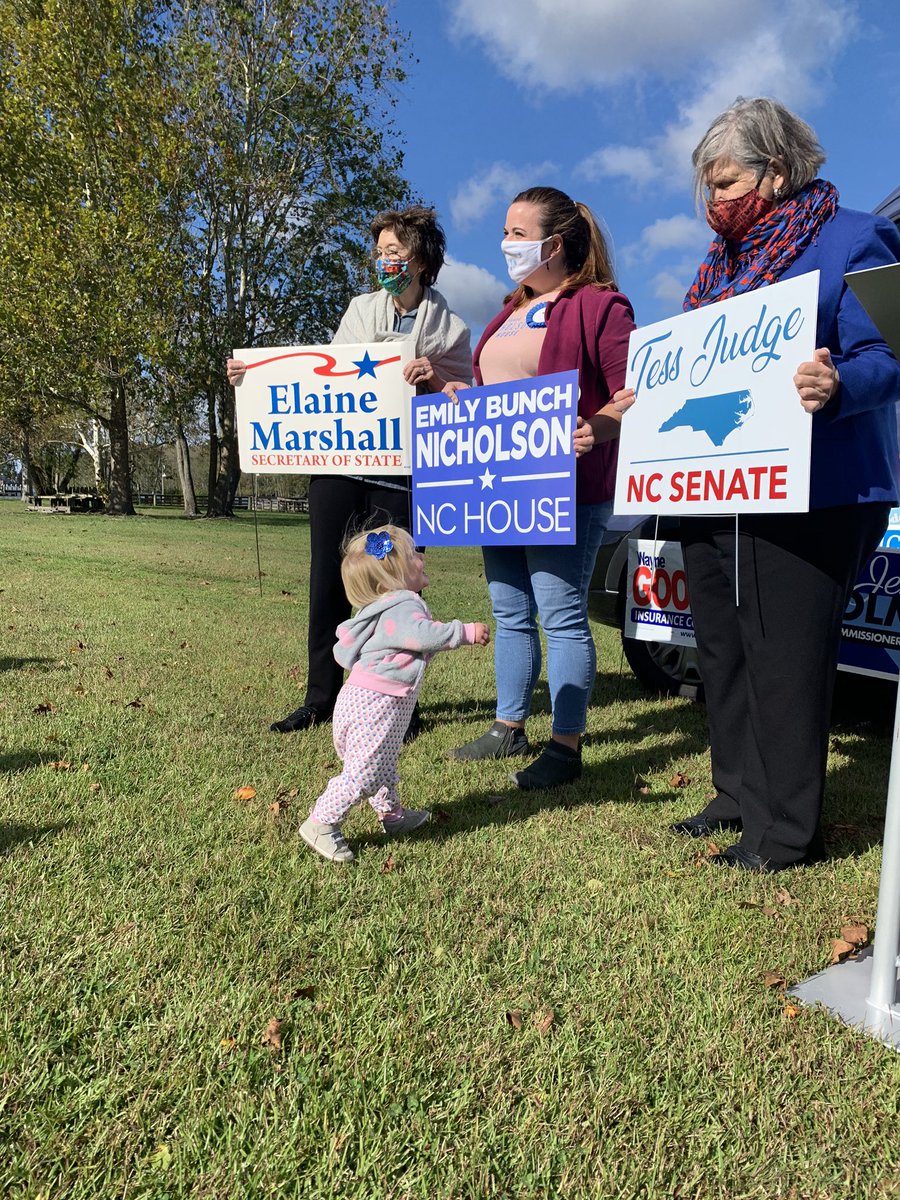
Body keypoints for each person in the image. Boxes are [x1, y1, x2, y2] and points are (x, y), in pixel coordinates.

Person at [647, 97, 900, 871]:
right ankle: (736, 794)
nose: (713, 201)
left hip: (816, 488)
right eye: (708, 187)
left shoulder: (857, 237)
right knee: (722, 649)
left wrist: (838, 382)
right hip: (712, 484)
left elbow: (889, 355)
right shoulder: (718, 266)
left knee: (784, 657)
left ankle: (786, 833)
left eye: (725, 183)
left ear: (777, 172)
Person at [227, 206, 472, 736]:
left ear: (421, 259)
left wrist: (433, 381)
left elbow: (464, 403)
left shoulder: (451, 330)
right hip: (339, 473)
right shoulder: (359, 311)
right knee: (329, 581)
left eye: (393, 251)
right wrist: (254, 375)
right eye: (379, 252)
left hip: (399, 482)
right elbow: (320, 378)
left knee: (395, 587)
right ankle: (321, 696)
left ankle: (399, 701)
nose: (383, 261)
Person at [445, 186, 637, 790]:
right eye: (505, 231)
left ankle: (565, 744)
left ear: (554, 244)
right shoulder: (507, 312)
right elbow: (500, 392)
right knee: (510, 611)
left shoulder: (601, 306)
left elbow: (633, 395)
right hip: (499, 485)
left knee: (561, 614)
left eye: (517, 234)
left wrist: (596, 427)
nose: (505, 243)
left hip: (569, 487)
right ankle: (509, 726)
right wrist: (465, 399)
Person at [298, 525, 489, 863]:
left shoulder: (382, 606)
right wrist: (464, 632)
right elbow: (423, 635)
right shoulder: (404, 604)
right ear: (394, 576)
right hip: (377, 704)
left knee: (383, 765)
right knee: (364, 773)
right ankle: (321, 822)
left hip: (362, 700)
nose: (421, 558)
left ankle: (392, 816)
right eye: (414, 555)